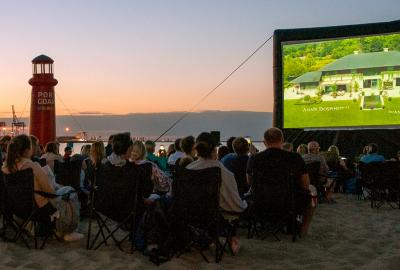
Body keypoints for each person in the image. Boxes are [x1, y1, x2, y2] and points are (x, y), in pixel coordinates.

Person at [1, 134, 83, 241]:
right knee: (69, 192)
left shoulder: (5, 168)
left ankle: (56, 230)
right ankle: (69, 231)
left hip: (16, 209)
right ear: (26, 151)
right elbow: (49, 190)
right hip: (38, 208)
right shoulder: (32, 166)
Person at [186, 132, 247, 253]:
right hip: (215, 219)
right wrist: (244, 204)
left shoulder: (188, 169)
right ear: (215, 149)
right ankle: (232, 239)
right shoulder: (223, 172)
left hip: (190, 217)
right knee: (237, 207)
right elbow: (234, 204)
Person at [246, 128, 314, 236]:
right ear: (282, 140)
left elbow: (250, 182)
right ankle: (303, 229)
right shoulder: (295, 158)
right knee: (312, 193)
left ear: (264, 142)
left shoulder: (254, 159)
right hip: (290, 205)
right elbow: (305, 184)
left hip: (261, 205)